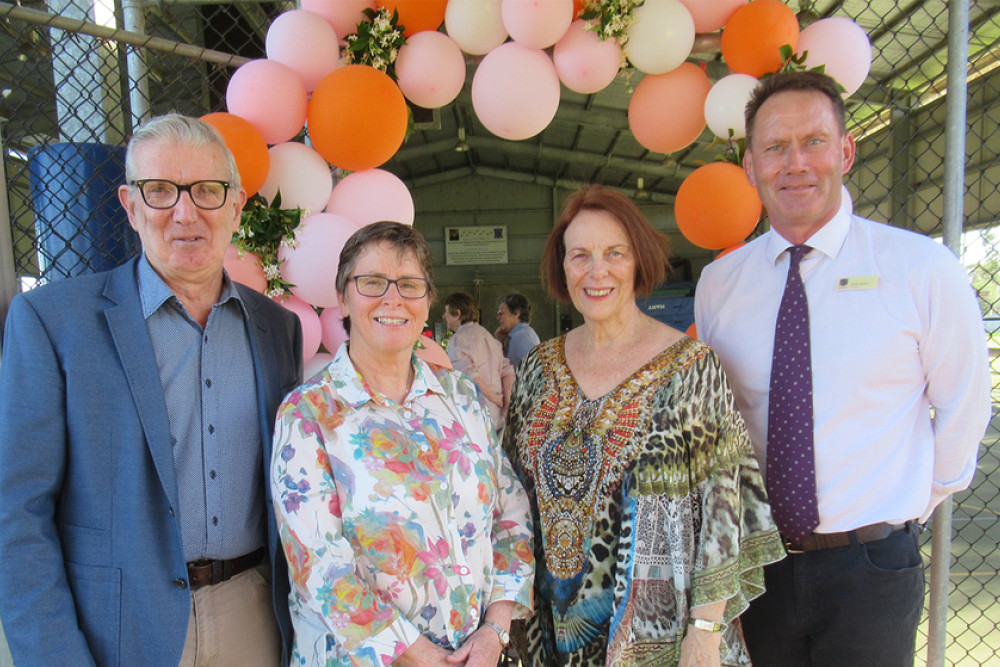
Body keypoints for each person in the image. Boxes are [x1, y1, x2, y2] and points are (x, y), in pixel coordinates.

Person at [694, 71, 992, 666]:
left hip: (873, 570)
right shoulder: (720, 285)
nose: (796, 163)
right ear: (750, 167)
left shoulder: (920, 268)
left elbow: (965, 405)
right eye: (776, 147)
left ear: (847, 151)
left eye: (814, 142)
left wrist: (899, 509)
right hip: (758, 570)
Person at [0, 114, 304, 666]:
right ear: (130, 205)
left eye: (207, 192)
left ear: (235, 206)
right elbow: (16, 512)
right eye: (160, 191)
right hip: (115, 629)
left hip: (253, 617)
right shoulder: (51, 321)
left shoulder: (277, 329)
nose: (185, 213)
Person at [503, 185, 784, 667]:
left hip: (662, 636)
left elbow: (724, 510)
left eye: (615, 253)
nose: (597, 271)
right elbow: (507, 495)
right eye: (580, 255)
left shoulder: (691, 369)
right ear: (562, 266)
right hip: (548, 632)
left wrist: (706, 631)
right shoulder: (536, 370)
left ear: (640, 260)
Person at [270, 221, 534, 667]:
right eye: (372, 282)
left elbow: (511, 513)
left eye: (409, 285)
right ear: (343, 297)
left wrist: (494, 631)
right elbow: (322, 569)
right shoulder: (308, 414)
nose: (392, 299)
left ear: (428, 301)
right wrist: (421, 656)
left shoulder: (462, 397)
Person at [443, 291, 514, 432]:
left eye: (446, 312)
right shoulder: (489, 337)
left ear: (457, 314)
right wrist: (506, 403)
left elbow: (468, 376)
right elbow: (508, 372)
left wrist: (495, 398)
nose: (444, 316)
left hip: (474, 414)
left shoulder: (458, 339)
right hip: (498, 417)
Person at [495, 293, 540, 369]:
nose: (498, 318)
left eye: (501, 313)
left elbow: (535, 368)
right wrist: (501, 343)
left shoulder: (521, 337)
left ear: (516, 313)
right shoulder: (523, 334)